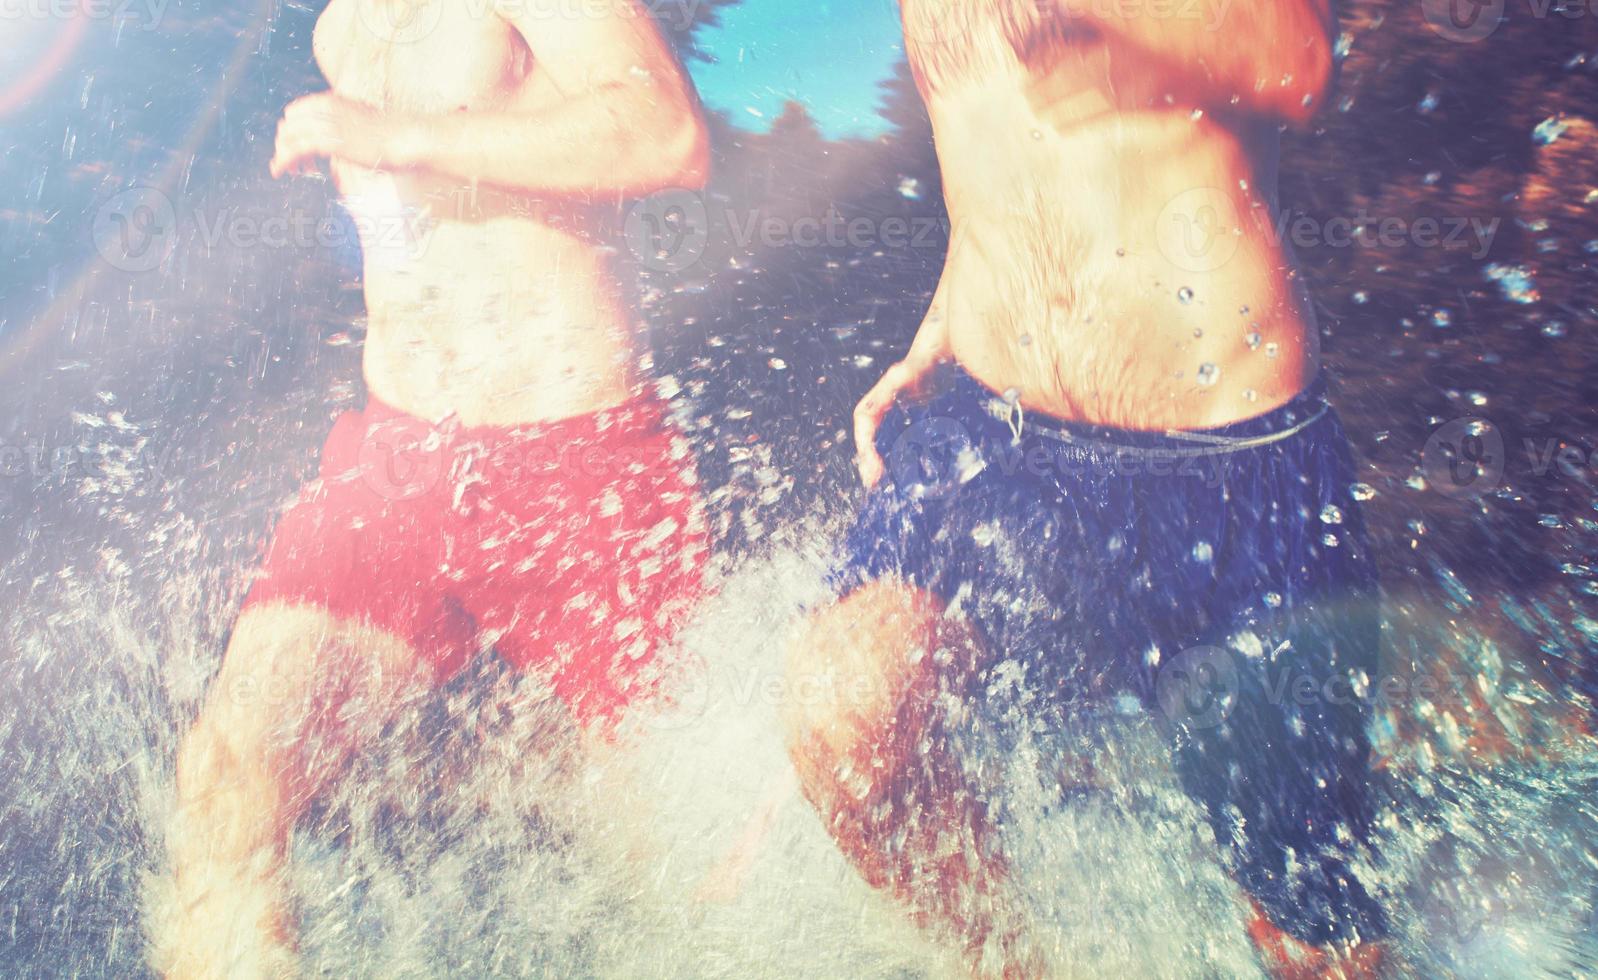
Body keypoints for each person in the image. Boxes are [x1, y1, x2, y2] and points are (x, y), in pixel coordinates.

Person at [783, 0, 1390, 974]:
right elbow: (1003, 140)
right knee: (844, 718)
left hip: (1223, 460)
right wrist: (940, 320)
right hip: (996, 437)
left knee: (1312, 937)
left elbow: (1296, 57)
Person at [152, 1, 710, 974]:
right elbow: (397, 233)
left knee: (692, 861)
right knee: (227, 778)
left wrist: (398, 134)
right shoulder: (342, 30)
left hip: (578, 467)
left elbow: (664, 131)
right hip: (394, 460)